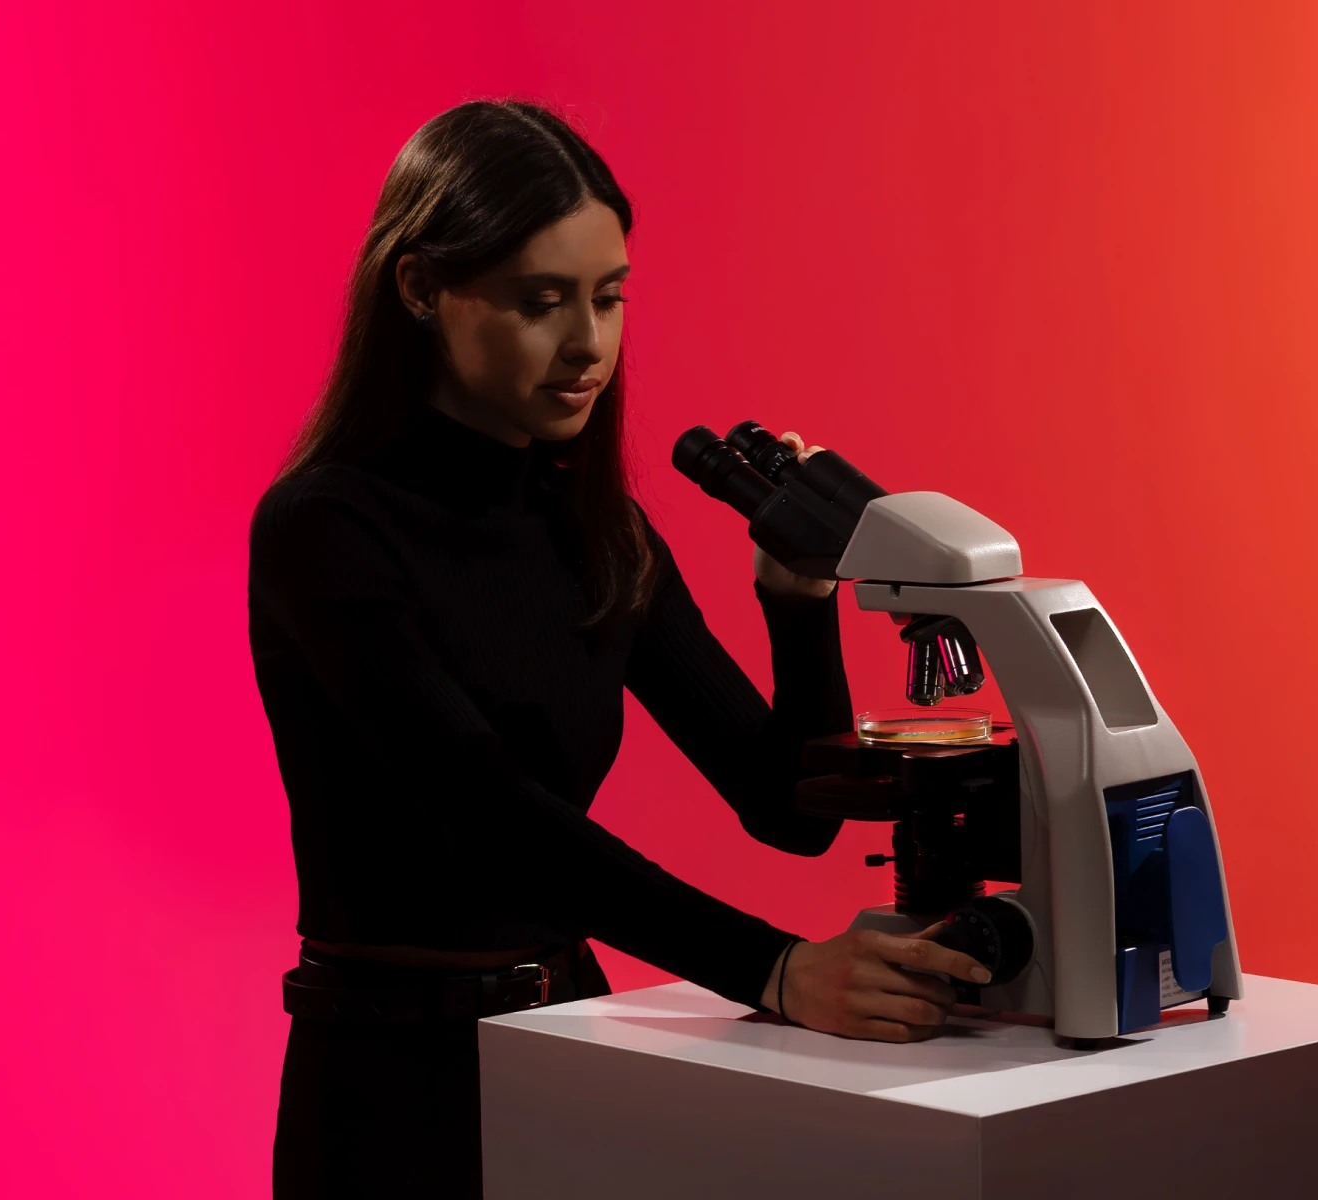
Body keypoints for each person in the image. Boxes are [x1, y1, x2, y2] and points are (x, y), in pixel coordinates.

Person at [247, 100, 993, 1198]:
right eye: (540, 301)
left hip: (570, 1044)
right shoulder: (323, 528)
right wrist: (775, 969)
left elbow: (788, 810)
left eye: (608, 297)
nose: (588, 344)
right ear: (419, 288)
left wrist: (795, 602)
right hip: (388, 1088)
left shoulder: (599, 533)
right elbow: (493, 817)